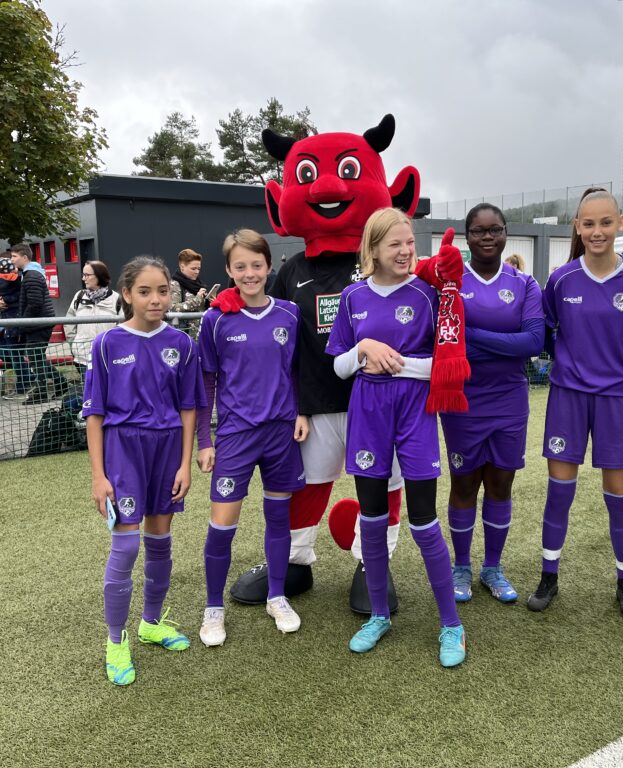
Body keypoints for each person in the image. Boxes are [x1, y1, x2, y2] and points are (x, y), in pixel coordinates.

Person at [230, 115, 425, 613]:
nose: (330, 188)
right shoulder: (293, 269)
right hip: (315, 403)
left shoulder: (383, 267)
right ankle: (295, 561)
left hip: (382, 401)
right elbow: (270, 327)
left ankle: (372, 563)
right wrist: (231, 303)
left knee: (386, 484)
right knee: (307, 484)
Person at [326, 207, 466, 667]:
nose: (406, 251)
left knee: (424, 520)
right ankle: (379, 615)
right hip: (368, 412)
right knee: (372, 517)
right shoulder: (352, 297)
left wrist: (396, 363)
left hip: (414, 412)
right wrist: (363, 349)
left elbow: (446, 365)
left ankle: (451, 625)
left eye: (410, 242)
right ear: (373, 249)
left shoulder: (429, 294)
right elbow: (339, 366)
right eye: (395, 244)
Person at [529, 187, 623, 620]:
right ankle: (549, 575)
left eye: (605, 222)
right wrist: (565, 359)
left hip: (617, 400)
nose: (597, 231)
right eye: (588, 223)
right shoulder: (562, 279)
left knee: (618, 495)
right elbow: (544, 333)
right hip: (568, 396)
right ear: (577, 228)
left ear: (620, 223)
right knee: (559, 492)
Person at [83, 256, 205, 686]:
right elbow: (95, 414)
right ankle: (116, 640)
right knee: (126, 547)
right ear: (127, 295)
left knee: (160, 542)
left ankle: (151, 623)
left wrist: (185, 464)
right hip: (123, 450)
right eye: (145, 291)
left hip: (167, 449)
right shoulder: (107, 344)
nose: (156, 299)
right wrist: (99, 476)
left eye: (163, 291)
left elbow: (189, 407)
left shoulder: (182, 344)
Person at [195, 229, 308, 646]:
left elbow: (298, 370)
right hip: (236, 435)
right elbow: (206, 382)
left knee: (279, 518)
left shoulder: (289, 314)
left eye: (256, 265)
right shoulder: (216, 319)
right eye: (240, 266)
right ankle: (213, 609)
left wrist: (301, 411)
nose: (249, 273)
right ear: (229, 270)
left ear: (268, 266)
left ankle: (277, 597)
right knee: (222, 525)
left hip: (281, 432)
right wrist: (205, 441)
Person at [441, 204, 544, 603]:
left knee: (501, 483)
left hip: (509, 399)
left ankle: (493, 568)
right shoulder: (450, 283)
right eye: (478, 231)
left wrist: (469, 334)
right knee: (464, 483)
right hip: (462, 400)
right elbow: (444, 344)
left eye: (495, 230)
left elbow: (532, 342)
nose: (487, 237)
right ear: (466, 236)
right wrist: (503, 344)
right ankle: (461, 567)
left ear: (505, 233)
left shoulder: (524, 284)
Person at [9, 243, 70, 405]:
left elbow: (35, 303)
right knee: (37, 357)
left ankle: (42, 391)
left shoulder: (31, 276)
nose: (12, 260)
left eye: (14, 256)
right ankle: (60, 383)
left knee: (35, 357)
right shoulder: (31, 274)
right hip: (39, 322)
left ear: (25, 257)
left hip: (38, 323)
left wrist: (25, 321)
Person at [65, 260, 121, 376]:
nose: (83, 278)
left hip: (109, 357)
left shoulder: (117, 299)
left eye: (87, 275)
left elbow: (123, 328)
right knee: (87, 386)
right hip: (83, 357)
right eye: (83, 275)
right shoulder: (79, 296)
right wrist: (74, 344)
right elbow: (69, 323)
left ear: (99, 276)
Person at [0, 256, 24, 394]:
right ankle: (26, 378)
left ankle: (24, 381)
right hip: (7, 323)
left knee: (14, 355)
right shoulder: (18, 280)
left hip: (8, 323)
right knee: (9, 353)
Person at [170, 248, 209, 313]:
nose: (197, 272)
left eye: (199, 269)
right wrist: (197, 300)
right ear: (182, 267)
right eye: (193, 269)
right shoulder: (175, 284)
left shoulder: (199, 284)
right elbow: (173, 308)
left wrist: (211, 302)